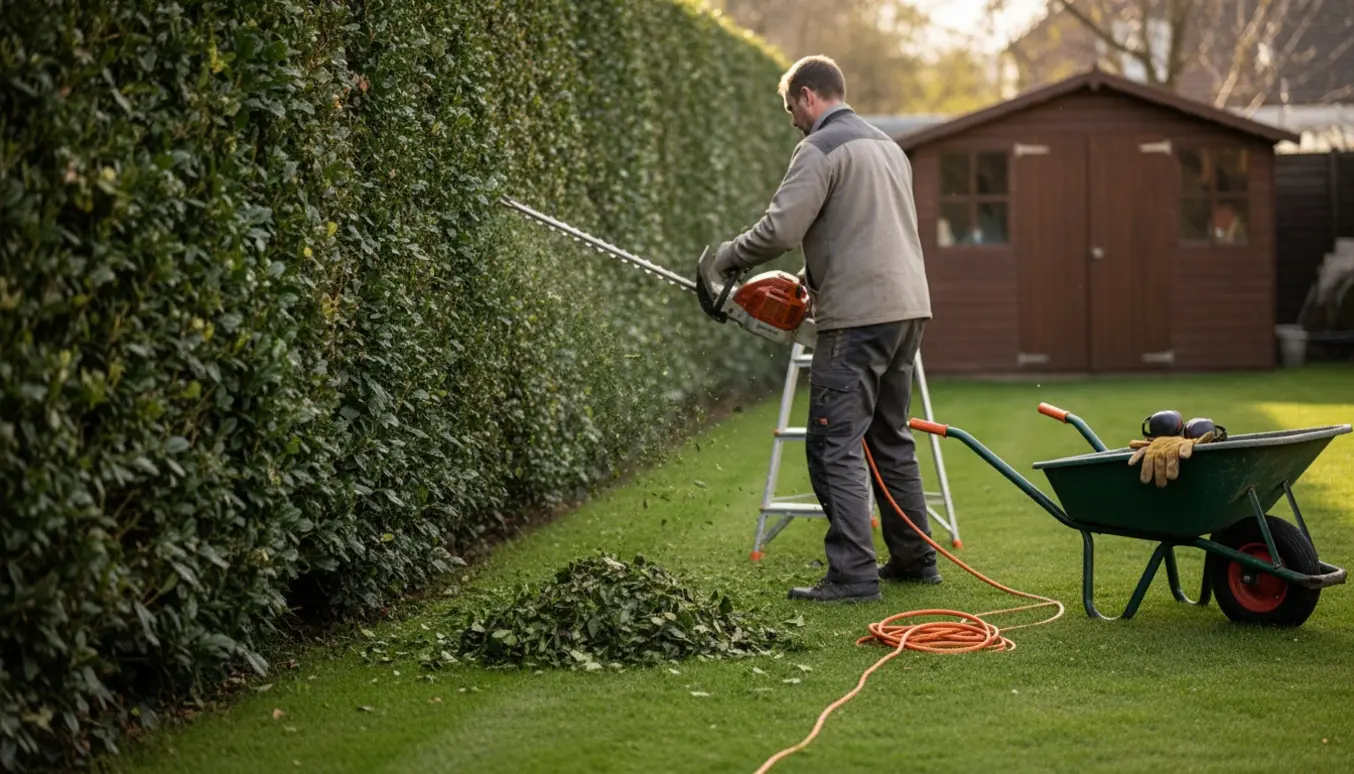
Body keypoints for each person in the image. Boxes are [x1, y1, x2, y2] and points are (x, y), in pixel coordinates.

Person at [710, 55, 939, 603]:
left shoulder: (818, 147)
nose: (792, 119)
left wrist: (726, 257)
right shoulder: (888, 147)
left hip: (857, 321)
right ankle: (914, 560)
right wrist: (811, 278)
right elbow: (863, 230)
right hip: (907, 312)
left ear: (809, 96)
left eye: (791, 107)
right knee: (890, 438)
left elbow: (781, 228)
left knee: (833, 443)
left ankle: (852, 576)